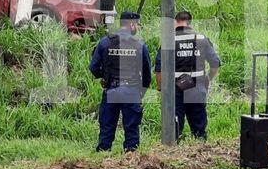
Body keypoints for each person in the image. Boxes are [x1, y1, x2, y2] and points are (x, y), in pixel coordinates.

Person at [89, 11, 151, 152]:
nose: (138, 28)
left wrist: (105, 77)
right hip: (131, 91)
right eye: (138, 25)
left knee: (106, 128)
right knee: (132, 130)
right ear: (132, 24)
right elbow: (147, 74)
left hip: (111, 89)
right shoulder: (139, 45)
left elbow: (93, 68)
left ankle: (102, 159)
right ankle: (131, 158)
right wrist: (141, 92)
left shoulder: (105, 42)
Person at [155, 11, 221, 141]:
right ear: (190, 23)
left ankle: (172, 154)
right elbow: (215, 64)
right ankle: (200, 152)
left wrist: (160, 87)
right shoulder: (201, 38)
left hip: (175, 89)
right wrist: (208, 79)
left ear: (175, 22)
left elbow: (159, 69)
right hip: (197, 86)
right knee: (199, 127)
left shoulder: (168, 40)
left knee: (174, 127)